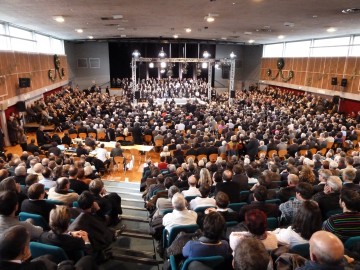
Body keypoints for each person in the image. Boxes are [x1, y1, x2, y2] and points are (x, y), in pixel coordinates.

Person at [0, 225, 98, 270]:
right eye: (28, 243)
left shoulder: (43, 237)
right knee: (87, 259)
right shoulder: (38, 266)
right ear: (24, 250)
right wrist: (64, 263)